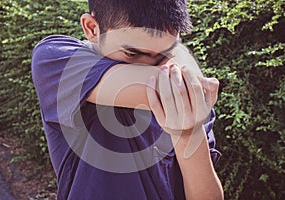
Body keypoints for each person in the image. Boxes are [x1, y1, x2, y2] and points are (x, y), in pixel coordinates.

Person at [31, 0, 224, 199]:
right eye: (133, 53)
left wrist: (187, 135)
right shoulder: (56, 59)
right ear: (92, 28)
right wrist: (190, 83)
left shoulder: (190, 100)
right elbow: (163, 86)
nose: (151, 65)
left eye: (165, 53)